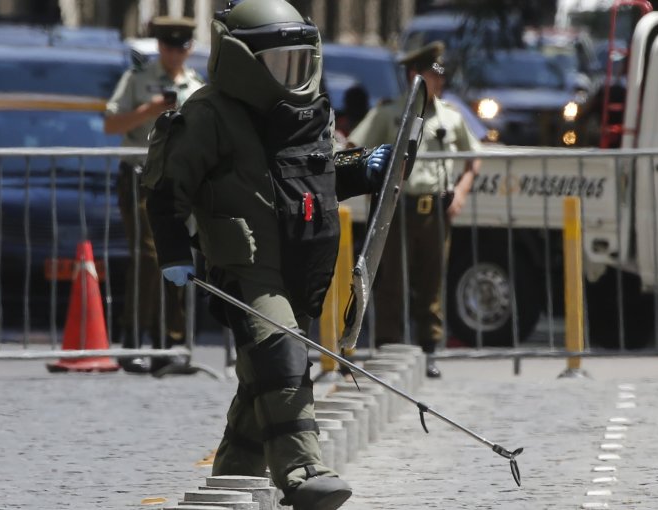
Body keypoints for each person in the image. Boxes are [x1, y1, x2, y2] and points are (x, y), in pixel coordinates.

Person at [141, 1, 392, 508]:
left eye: (299, 61)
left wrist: (363, 171)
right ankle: (303, 470)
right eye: (279, 62)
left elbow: (314, 179)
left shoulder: (306, 112)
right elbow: (165, 190)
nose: (291, 75)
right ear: (241, 60)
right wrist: (173, 251)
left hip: (302, 264)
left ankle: (235, 473)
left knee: (263, 379)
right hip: (246, 267)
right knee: (282, 357)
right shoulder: (207, 115)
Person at [348, 41, 482, 378]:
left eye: (441, 75)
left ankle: (429, 349)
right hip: (396, 208)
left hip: (434, 211)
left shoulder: (451, 117)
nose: (440, 82)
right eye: (433, 75)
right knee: (390, 280)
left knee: (430, 282)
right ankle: (388, 348)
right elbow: (355, 147)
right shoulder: (391, 113)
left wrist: (461, 192)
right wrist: (370, 181)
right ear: (414, 76)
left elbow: (474, 158)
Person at [104, 16, 206, 374]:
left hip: (181, 180)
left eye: (181, 47)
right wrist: (149, 111)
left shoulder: (196, 86)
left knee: (178, 255)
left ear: (190, 48)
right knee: (148, 255)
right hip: (141, 175)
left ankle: (169, 342)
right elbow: (111, 123)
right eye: (168, 46)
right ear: (159, 46)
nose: (175, 53)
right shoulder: (137, 80)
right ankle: (133, 338)